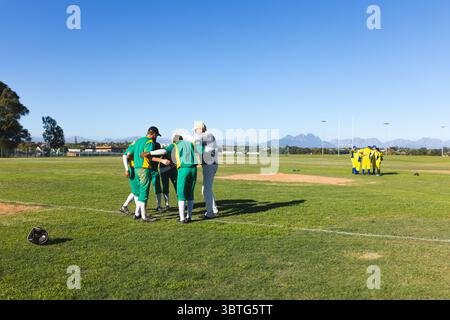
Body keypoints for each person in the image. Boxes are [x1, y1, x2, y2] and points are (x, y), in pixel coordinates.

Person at [143, 135, 197, 224]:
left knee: (181, 194)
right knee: (190, 193)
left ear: (174, 141)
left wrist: (150, 153)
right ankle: (189, 216)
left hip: (183, 169)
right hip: (194, 169)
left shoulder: (175, 144)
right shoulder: (190, 144)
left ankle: (182, 218)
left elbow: (164, 151)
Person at [133, 126, 163, 222]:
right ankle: (144, 216)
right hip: (144, 168)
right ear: (153, 134)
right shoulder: (149, 142)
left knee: (140, 191)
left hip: (136, 168)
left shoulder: (138, 141)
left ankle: (137, 213)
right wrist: (161, 160)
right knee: (144, 192)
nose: (156, 137)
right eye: (156, 135)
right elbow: (148, 156)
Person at [193, 121, 219, 219]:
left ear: (200, 128)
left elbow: (197, 146)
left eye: (196, 130)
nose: (196, 132)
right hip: (210, 164)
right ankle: (214, 209)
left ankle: (210, 213)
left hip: (209, 164)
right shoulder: (207, 136)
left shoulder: (206, 135)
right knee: (207, 188)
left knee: (206, 189)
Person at [155, 140, 178, 210]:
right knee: (175, 186)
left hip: (165, 169)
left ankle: (167, 204)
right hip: (167, 169)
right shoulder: (172, 147)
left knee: (169, 186)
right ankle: (168, 204)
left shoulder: (171, 148)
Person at [119, 141, 139, 215]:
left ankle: (124, 206)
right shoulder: (133, 146)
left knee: (136, 190)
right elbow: (125, 156)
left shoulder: (136, 146)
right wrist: (127, 169)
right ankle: (138, 211)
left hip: (136, 169)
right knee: (137, 191)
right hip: (133, 170)